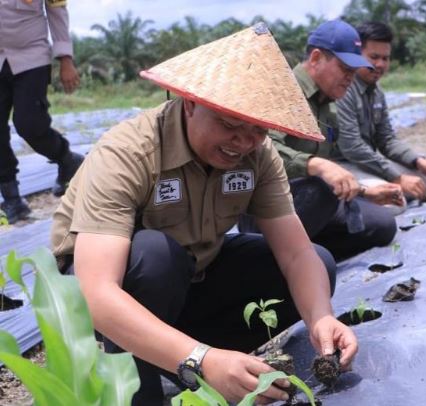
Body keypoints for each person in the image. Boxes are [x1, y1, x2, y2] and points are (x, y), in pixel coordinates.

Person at [51, 23, 357, 405]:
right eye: (230, 124)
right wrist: (200, 360)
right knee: (155, 255)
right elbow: (95, 292)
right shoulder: (129, 152)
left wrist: (321, 318)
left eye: (259, 130)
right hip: (110, 302)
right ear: (190, 102)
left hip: (189, 283)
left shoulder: (257, 157)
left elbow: (295, 253)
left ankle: (188, 361)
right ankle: (144, 385)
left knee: (319, 264)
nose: (243, 142)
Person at [244, 19, 401, 261]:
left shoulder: (329, 106)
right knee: (321, 188)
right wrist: (316, 165)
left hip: (310, 204)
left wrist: (362, 191)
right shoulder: (281, 91)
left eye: (353, 70)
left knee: (382, 224)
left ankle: (307, 254)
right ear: (316, 58)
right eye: (344, 68)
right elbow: (258, 151)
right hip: (266, 209)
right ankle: (271, 257)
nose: (350, 77)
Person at [336, 21, 426, 206]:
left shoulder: (376, 91)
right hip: (343, 165)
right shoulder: (343, 89)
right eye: (374, 57)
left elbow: (386, 139)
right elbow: (351, 147)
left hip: (366, 162)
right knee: (393, 201)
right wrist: (397, 176)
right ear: (356, 55)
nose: (380, 64)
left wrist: (417, 161)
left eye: (385, 58)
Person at [0, 0, 84, 224]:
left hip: (31, 56)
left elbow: (57, 11)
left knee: (29, 124)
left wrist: (66, 59)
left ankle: (66, 158)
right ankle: (12, 200)